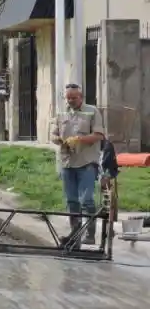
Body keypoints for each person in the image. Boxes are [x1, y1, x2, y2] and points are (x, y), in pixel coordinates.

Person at [50, 83, 105, 246]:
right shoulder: (61, 113)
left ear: (81, 97)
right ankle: (76, 235)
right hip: (67, 163)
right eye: (68, 98)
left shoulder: (92, 111)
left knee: (86, 199)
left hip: (87, 161)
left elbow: (99, 135)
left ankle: (90, 233)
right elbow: (53, 134)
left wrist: (79, 139)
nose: (71, 101)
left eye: (74, 98)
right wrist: (59, 140)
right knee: (72, 201)